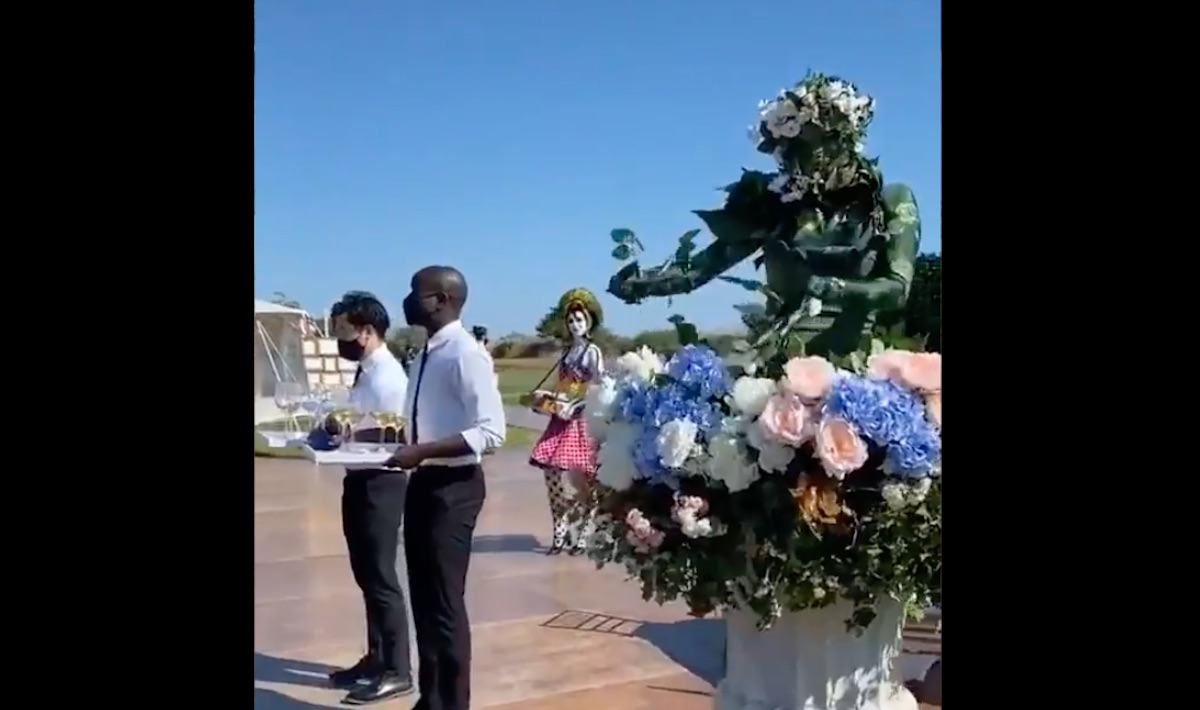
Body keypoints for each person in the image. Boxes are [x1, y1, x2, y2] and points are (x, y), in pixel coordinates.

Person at [385, 266, 505, 710]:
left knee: (444, 604)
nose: (409, 301)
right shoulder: (426, 353)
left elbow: (491, 431)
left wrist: (425, 450)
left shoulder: (465, 354)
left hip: (455, 487)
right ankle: (431, 697)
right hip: (424, 481)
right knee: (423, 598)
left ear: (442, 300)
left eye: (416, 293)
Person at [323, 291, 416, 704]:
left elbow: (392, 438)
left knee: (381, 579)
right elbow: (362, 425)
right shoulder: (366, 371)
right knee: (367, 578)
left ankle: (398, 669)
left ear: (366, 331)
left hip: (381, 484)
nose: (339, 339)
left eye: (343, 330)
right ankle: (377, 657)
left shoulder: (389, 377)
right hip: (359, 481)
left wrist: (348, 438)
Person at [527, 288, 603, 555]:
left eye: (579, 321)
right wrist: (545, 398)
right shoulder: (566, 353)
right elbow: (561, 386)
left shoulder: (592, 353)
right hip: (560, 420)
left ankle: (583, 533)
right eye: (571, 321)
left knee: (585, 481)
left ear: (589, 322)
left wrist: (578, 405)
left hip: (580, 421)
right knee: (552, 476)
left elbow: (598, 388)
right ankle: (560, 532)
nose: (575, 326)